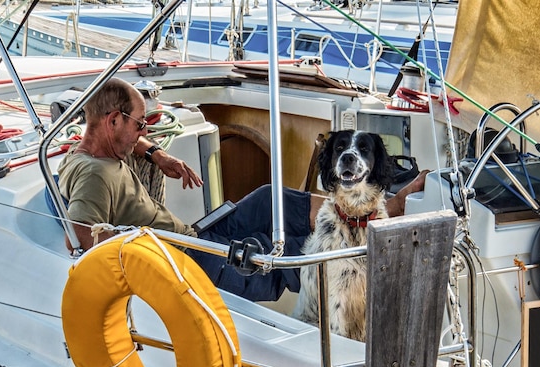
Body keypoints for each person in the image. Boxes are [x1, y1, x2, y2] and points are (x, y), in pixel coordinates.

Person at [58, 77, 425, 302]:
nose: (144, 131)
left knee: (269, 198)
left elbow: (119, 145)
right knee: (284, 253)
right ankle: (375, 266)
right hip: (189, 263)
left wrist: (155, 153)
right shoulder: (94, 176)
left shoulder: (92, 148)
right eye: (139, 124)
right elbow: (82, 245)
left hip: (193, 236)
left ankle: (381, 210)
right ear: (112, 121)